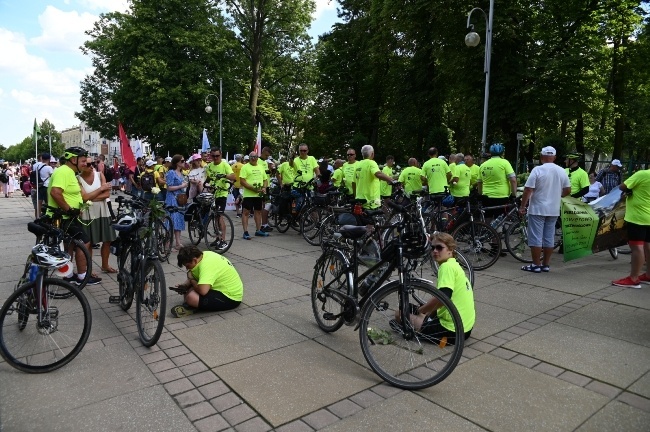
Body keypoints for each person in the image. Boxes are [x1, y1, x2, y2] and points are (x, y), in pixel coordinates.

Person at [395, 232, 474, 343]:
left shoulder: (446, 267)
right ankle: (423, 320)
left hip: (451, 331)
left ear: (450, 250)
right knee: (407, 307)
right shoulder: (454, 264)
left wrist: (422, 310)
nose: (435, 251)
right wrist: (425, 312)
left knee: (399, 314)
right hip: (466, 328)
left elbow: (443, 298)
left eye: (439, 248)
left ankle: (421, 325)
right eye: (432, 248)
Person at [47, 146, 101, 285]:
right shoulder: (63, 171)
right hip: (62, 217)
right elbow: (55, 192)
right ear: (73, 159)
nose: (85, 164)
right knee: (84, 242)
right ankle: (83, 276)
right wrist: (69, 209)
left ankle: (68, 275)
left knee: (69, 245)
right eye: (83, 161)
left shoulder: (70, 172)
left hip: (68, 217)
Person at [518, 146, 571, 273]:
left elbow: (528, 189)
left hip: (537, 208)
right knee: (549, 237)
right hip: (553, 209)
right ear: (555, 157)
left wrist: (522, 206)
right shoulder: (561, 171)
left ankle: (536, 264)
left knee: (536, 237)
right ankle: (546, 264)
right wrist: (557, 196)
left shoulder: (537, 170)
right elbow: (568, 190)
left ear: (541, 157)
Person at [170, 245, 243, 317]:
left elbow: (202, 291)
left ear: (194, 260)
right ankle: (193, 304)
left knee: (191, 297)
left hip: (231, 298)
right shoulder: (203, 255)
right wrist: (185, 285)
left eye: (187, 266)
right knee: (188, 291)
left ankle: (193, 306)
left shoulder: (206, 266)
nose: (187, 269)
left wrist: (191, 280)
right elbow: (196, 277)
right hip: (224, 290)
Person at [612, 168, 650, 288]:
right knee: (648, 246)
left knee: (637, 247)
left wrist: (630, 190)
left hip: (638, 217)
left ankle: (633, 278)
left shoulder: (643, 174)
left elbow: (623, 186)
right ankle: (648, 275)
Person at [78, 159, 116, 273]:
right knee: (89, 242)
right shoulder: (78, 179)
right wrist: (100, 190)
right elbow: (83, 198)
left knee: (108, 239)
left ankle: (105, 265)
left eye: (93, 164)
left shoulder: (100, 175)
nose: (91, 166)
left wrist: (90, 197)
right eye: (88, 164)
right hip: (88, 214)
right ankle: (89, 270)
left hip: (103, 211)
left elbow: (107, 194)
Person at [204, 149, 235, 247]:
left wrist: (225, 175)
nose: (215, 158)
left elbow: (233, 177)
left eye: (217, 156)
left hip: (222, 193)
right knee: (215, 217)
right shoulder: (209, 166)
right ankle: (218, 238)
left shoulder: (225, 165)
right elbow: (208, 178)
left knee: (220, 215)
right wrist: (207, 184)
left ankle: (223, 240)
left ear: (220, 155)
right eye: (213, 156)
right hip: (213, 193)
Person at [478, 143, 517, 217]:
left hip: (486, 196)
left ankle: (486, 228)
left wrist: (480, 195)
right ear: (502, 153)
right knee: (499, 221)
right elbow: (513, 180)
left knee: (487, 219)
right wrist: (513, 195)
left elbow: (479, 182)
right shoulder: (505, 163)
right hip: (501, 196)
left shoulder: (483, 165)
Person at [352, 145, 397, 209]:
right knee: (377, 215)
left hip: (359, 199)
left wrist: (356, 196)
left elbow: (353, 183)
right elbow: (378, 174)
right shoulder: (371, 163)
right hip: (372, 199)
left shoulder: (357, 164)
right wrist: (392, 180)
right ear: (372, 153)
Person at [239, 151, 269, 239]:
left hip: (258, 195)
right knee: (246, 212)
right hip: (248, 195)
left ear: (257, 158)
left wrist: (264, 187)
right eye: (251, 157)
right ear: (249, 158)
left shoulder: (260, 167)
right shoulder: (245, 167)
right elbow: (242, 181)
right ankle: (245, 232)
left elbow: (265, 179)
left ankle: (258, 230)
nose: (253, 158)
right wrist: (253, 189)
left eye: (255, 157)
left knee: (258, 212)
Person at [165, 155, 189, 250]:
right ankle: (167, 243)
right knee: (171, 220)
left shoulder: (181, 172)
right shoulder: (171, 172)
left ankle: (178, 242)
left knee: (178, 220)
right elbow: (169, 187)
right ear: (177, 163)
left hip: (180, 199)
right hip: (172, 199)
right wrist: (181, 186)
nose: (184, 162)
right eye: (182, 161)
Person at [31, 153, 54, 217]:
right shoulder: (49, 167)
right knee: (48, 202)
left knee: (39, 201)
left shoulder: (37, 165)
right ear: (49, 159)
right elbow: (53, 176)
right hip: (46, 186)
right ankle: (47, 216)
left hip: (39, 185)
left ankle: (38, 216)